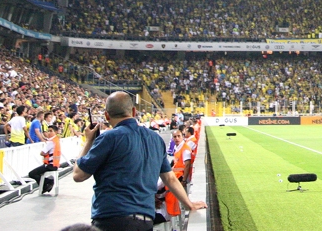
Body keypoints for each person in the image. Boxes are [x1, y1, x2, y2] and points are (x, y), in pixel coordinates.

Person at [73, 92, 205, 231]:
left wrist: (88, 141)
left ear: (107, 116)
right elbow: (170, 178)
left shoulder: (108, 138)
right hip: (144, 220)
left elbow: (78, 175)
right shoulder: (155, 139)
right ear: (134, 111)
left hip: (111, 219)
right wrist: (189, 204)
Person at [28, 124, 62, 192]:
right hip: (55, 165)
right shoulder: (56, 140)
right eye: (48, 131)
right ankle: (46, 185)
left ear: (55, 132)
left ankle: (47, 183)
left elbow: (42, 153)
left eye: (51, 131)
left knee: (31, 174)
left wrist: (46, 154)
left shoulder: (51, 142)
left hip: (50, 165)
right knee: (37, 173)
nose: (49, 133)